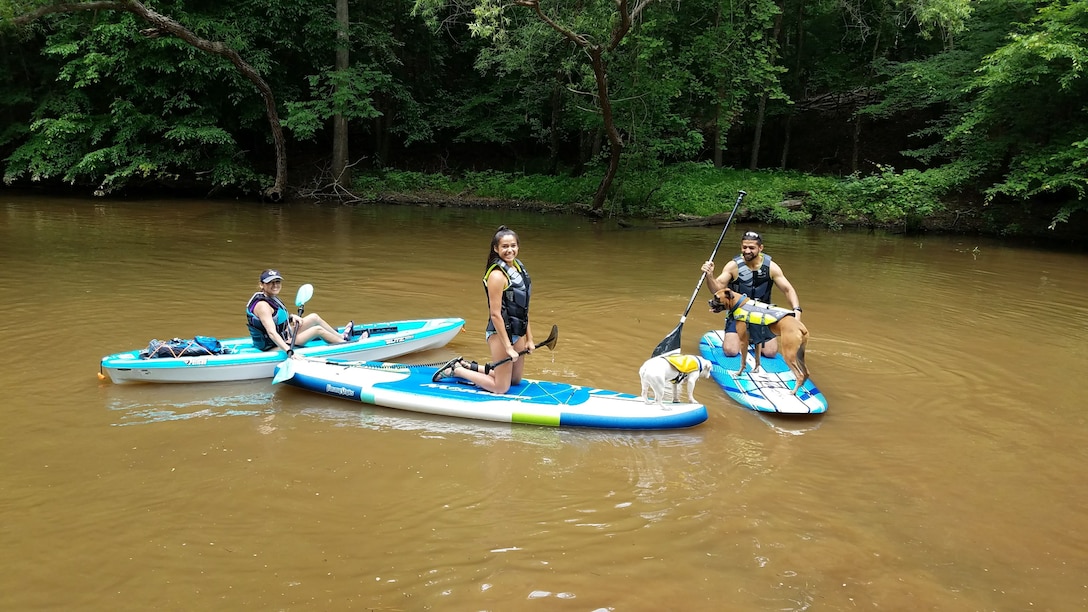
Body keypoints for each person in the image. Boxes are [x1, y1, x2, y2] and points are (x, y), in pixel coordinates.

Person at [433, 226, 536, 393]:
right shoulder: (497, 275)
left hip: (518, 332)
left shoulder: (519, 269)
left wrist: (529, 339)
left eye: (513, 246)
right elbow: (495, 315)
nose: (509, 250)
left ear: (518, 247)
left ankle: (468, 366)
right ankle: (456, 370)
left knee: (515, 380)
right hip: (500, 333)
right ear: (496, 249)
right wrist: (508, 347)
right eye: (504, 246)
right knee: (501, 388)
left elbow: (524, 309)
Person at [702, 231, 802, 358]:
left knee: (770, 353)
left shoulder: (771, 267)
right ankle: (736, 335)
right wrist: (709, 276)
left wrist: (796, 309)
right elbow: (716, 288)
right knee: (730, 351)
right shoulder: (733, 266)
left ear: (760, 248)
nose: (747, 251)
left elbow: (788, 290)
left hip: (763, 315)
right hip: (738, 314)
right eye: (744, 247)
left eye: (752, 248)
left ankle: (751, 337)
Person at [245, 269, 358, 353]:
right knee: (317, 330)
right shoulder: (263, 306)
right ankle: (347, 347)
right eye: (270, 282)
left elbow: (274, 319)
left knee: (314, 317)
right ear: (261, 284)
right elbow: (271, 333)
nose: (275, 285)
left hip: (284, 335)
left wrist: (291, 318)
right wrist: (289, 351)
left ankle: (341, 337)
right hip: (276, 345)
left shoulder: (268, 297)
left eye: (277, 281)